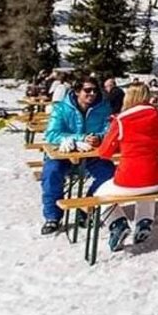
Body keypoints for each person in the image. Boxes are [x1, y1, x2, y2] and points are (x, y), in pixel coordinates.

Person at [93, 82, 158, 251]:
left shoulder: (121, 120)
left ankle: (117, 223)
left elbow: (104, 152)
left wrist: (122, 144)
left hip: (130, 177)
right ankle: (144, 222)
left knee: (99, 194)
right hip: (156, 177)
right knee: (147, 189)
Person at [40, 77, 114, 235]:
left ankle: (86, 209)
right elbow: (51, 134)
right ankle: (52, 217)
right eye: (87, 90)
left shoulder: (103, 107)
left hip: (91, 155)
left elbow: (109, 129)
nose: (92, 93)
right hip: (63, 153)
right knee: (51, 173)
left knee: (109, 174)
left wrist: (99, 137)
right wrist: (79, 138)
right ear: (77, 91)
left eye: (95, 90)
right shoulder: (61, 108)